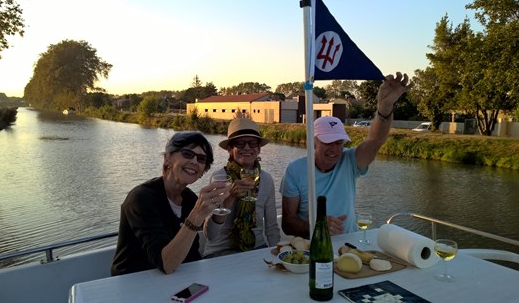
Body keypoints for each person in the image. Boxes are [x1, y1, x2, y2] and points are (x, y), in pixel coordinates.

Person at [280, 72, 412, 238]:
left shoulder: (349, 161)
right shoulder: (295, 170)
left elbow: (375, 141)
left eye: (339, 142)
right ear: (313, 142)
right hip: (313, 246)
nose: (334, 149)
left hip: (350, 242)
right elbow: (288, 224)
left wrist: (384, 109)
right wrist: (317, 226)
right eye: (327, 142)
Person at [111, 131, 231, 275]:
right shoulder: (141, 198)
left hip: (176, 281)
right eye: (187, 154)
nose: (194, 161)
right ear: (167, 158)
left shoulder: (190, 199)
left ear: (202, 172)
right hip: (133, 283)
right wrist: (197, 215)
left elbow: (192, 255)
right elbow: (166, 264)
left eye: (201, 159)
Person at [203, 118, 281, 258]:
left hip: (256, 248)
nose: (247, 148)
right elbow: (210, 234)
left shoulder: (266, 180)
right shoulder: (219, 178)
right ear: (229, 149)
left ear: (258, 149)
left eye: (252, 143)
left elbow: (272, 228)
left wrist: (278, 255)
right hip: (220, 252)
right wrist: (230, 198)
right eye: (240, 143)